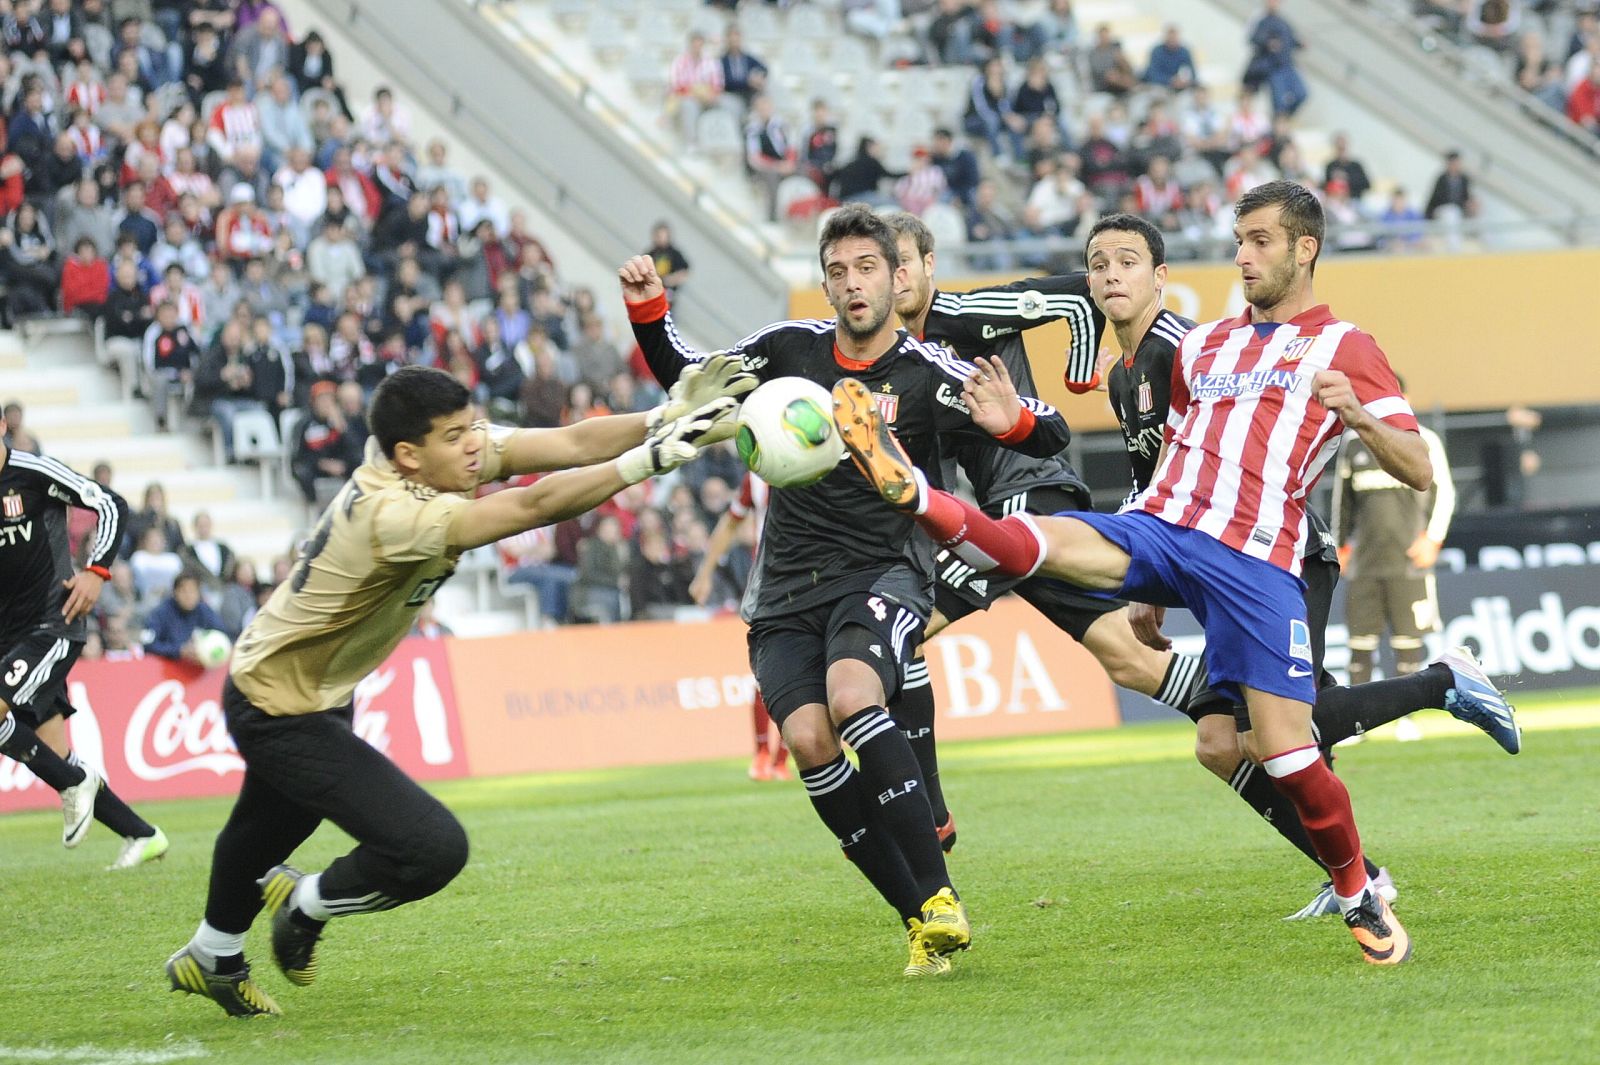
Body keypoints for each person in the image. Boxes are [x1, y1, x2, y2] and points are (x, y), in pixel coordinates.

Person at [835, 184, 1518, 966]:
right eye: (1239, 240)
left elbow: (1420, 466)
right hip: (1171, 535)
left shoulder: (1341, 347)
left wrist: (1358, 416)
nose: (1243, 256)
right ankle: (916, 493)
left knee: (1284, 747)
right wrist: (1153, 587)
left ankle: (1364, 872)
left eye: (1261, 241)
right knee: (1043, 550)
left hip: (1268, 560)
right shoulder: (1206, 350)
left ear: (1306, 249)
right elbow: (1175, 464)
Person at [163, 362, 752, 1016]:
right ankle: (304, 905)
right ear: (408, 455)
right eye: (455, 435)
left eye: (472, 426)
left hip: (308, 686)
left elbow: (572, 441)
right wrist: (648, 461)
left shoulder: (438, 457)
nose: (474, 443)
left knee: (269, 825)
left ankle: (212, 955)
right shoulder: (391, 513)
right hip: (277, 704)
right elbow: (530, 506)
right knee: (429, 850)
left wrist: (663, 417)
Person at [619, 205, 1072, 978]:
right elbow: (694, 380)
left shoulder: (930, 371)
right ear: (825, 285)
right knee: (807, 739)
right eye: (838, 272)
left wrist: (1017, 424)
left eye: (867, 268)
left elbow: (1052, 428)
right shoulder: (787, 350)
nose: (853, 284)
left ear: (897, 277)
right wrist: (649, 313)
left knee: (854, 695)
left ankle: (939, 895)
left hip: (883, 572)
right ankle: (918, 916)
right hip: (785, 586)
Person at [0, 412, 168, 869]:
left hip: (51, 624)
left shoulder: (34, 472)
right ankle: (143, 834)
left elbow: (110, 503)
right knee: (55, 755)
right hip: (8, 638)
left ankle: (74, 784)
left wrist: (96, 571)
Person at [1332, 392, 1456, 740]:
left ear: (1405, 399)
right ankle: (1354, 724)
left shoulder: (1424, 440)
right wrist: (1340, 544)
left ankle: (1407, 720)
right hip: (1365, 563)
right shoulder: (1353, 443)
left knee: (1407, 644)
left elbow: (1445, 492)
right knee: (1360, 645)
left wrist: (1433, 538)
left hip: (1408, 562)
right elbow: (1342, 499)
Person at [689, 471, 791, 782]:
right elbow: (731, 522)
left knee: (813, 673)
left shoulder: (823, 463)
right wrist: (704, 572)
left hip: (817, 578)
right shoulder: (757, 476)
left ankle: (783, 759)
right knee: (766, 670)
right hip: (770, 582)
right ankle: (762, 754)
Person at [145, 570, 228, 662]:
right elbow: (148, 645)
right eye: (183, 591)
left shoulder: (204, 611)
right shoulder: (160, 613)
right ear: (175, 593)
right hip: (167, 666)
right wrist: (179, 650)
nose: (188, 596)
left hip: (197, 667)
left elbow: (223, 636)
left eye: (193, 591)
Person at [644, 221, 690, 298]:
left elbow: (684, 271)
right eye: (658, 236)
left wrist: (669, 280)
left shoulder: (674, 254)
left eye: (662, 236)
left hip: (666, 293)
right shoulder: (652, 253)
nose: (660, 239)